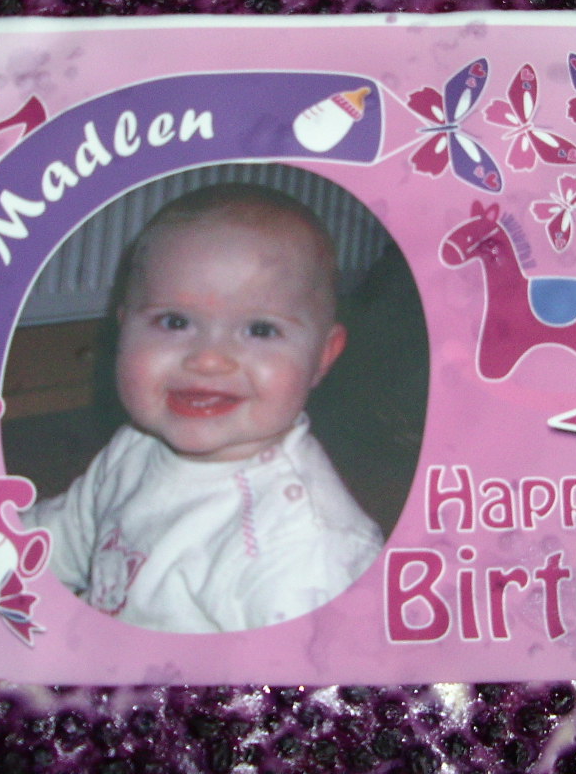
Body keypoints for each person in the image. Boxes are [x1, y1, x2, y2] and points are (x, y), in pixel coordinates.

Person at [23, 183, 384, 632]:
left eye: (260, 330)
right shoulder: (136, 446)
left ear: (322, 358)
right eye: (175, 322)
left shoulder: (305, 552)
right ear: (122, 331)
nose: (208, 360)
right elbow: (59, 539)